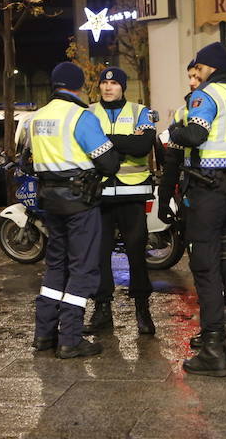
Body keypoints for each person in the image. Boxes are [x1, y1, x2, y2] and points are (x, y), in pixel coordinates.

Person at [167, 42, 226, 377]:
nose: (196, 73)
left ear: (210, 68)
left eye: (199, 68)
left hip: (206, 192)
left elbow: (194, 135)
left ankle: (211, 348)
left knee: (206, 269)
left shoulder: (205, 96)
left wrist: (173, 132)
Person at [24, 62, 121, 358]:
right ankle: (70, 338)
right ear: (80, 86)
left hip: (50, 201)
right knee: (82, 268)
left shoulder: (36, 118)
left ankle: (44, 335)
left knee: (55, 266)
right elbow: (109, 163)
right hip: (80, 202)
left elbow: (29, 159)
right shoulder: (81, 117)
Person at [84, 67, 157, 336]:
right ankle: (102, 309)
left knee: (136, 254)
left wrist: (104, 140)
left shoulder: (142, 112)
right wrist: (125, 141)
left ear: (123, 87)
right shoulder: (88, 113)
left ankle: (142, 309)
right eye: (104, 82)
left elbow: (142, 147)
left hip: (132, 194)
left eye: (114, 83)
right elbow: (83, 146)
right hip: (100, 195)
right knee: (99, 256)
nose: (108, 87)